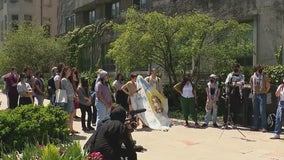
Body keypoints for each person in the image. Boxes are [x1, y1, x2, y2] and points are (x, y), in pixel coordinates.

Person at [249, 65, 270, 132]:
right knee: (255, 111)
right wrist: (252, 92)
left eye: (261, 69)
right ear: (256, 69)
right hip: (255, 95)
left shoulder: (264, 77)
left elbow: (268, 85)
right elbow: (251, 85)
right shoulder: (252, 77)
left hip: (262, 95)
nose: (260, 70)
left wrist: (265, 91)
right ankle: (255, 126)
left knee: (262, 111)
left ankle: (264, 127)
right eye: (259, 69)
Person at [223, 63, 245, 129]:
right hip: (229, 94)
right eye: (234, 67)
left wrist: (234, 83)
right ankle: (225, 123)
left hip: (237, 94)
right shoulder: (230, 75)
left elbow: (242, 83)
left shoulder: (241, 76)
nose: (235, 69)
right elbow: (226, 83)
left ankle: (234, 123)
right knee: (227, 108)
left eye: (237, 67)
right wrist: (235, 83)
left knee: (235, 109)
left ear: (239, 68)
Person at [60, 66, 78, 135]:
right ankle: (67, 129)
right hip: (68, 100)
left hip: (71, 99)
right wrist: (73, 96)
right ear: (65, 71)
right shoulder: (64, 80)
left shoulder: (68, 80)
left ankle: (71, 129)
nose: (70, 72)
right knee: (68, 115)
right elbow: (67, 91)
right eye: (69, 70)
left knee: (71, 115)